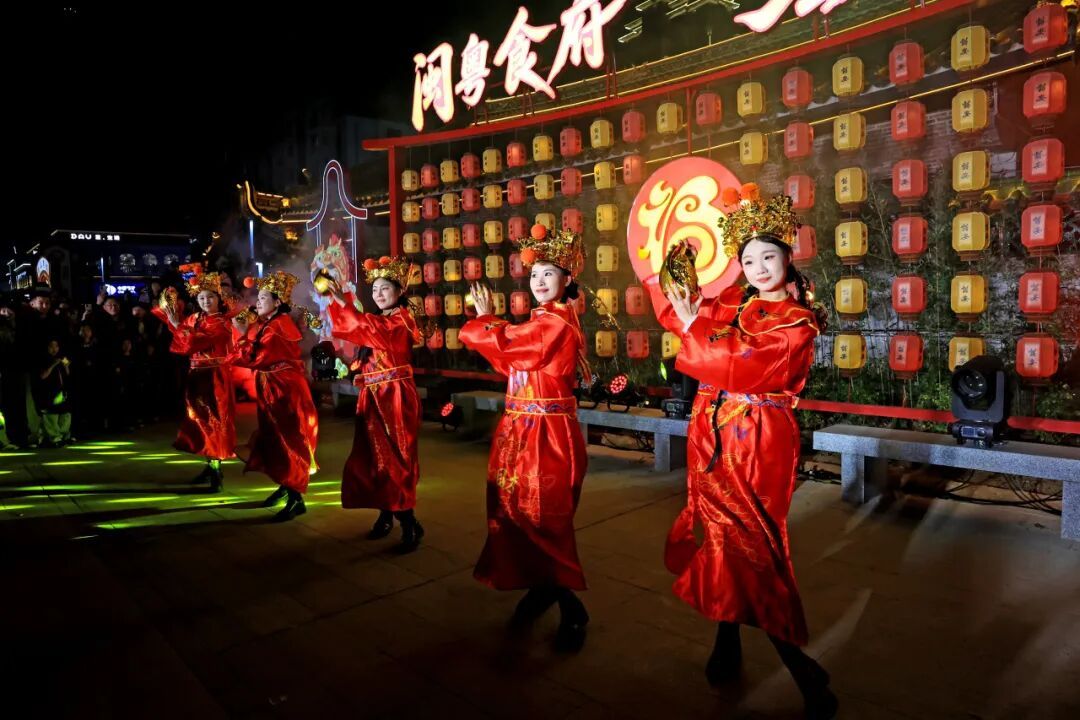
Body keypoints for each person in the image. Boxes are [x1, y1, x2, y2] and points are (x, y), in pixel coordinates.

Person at [663, 183, 836, 719]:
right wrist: (677, 273)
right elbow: (684, 318)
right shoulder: (735, 302)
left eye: (768, 257)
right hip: (717, 435)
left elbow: (746, 361)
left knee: (754, 542)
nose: (759, 268)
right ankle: (727, 636)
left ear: (788, 258)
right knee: (722, 537)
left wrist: (695, 325)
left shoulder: (797, 321)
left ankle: (797, 663)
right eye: (749, 260)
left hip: (758, 439)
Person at [460, 225, 592, 652]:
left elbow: (512, 345)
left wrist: (485, 322)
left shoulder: (556, 323)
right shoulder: (540, 321)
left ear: (567, 279)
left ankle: (570, 606)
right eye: (534, 274)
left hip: (546, 436)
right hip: (522, 431)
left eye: (548, 273)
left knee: (542, 521)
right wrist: (493, 328)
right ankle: (542, 589)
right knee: (516, 514)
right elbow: (511, 360)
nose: (539, 281)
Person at [325, 257, 425, 552]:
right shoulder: (380, 320)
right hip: (374, 395)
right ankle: (386, 513)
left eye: (385, 288)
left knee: (396, 459)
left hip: (395, 397)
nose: (379, 294)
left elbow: (370, 328)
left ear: (400, 291)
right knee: (375, 458)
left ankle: (409, 522)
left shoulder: (401, 320)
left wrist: (343, 303)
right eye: (375, 289)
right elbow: (360, 332)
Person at [231, 271, 319, 521]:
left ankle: (296, 497)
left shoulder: (279, 326)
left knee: (287, 440)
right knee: (274, 437)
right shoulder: (271, 323)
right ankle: (286, 486)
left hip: (284, 390)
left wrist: (242, 335)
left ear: (278, 302)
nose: (257, 302)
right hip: (274, 386)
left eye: (263, 298)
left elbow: (255, 358)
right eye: (257, 297)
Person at [161, 271, 236, 492]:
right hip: (196, 376)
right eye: (202, 297)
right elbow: (180, 339)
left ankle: (215, 472)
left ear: (219, 298)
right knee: (199, 422)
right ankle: (210, 465)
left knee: (214, 422)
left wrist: (178, 325)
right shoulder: (195, 319)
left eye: (210, 297)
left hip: (214, 378)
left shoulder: (222, 322)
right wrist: (172, 312)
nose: (206, 301)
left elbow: (195, 342)